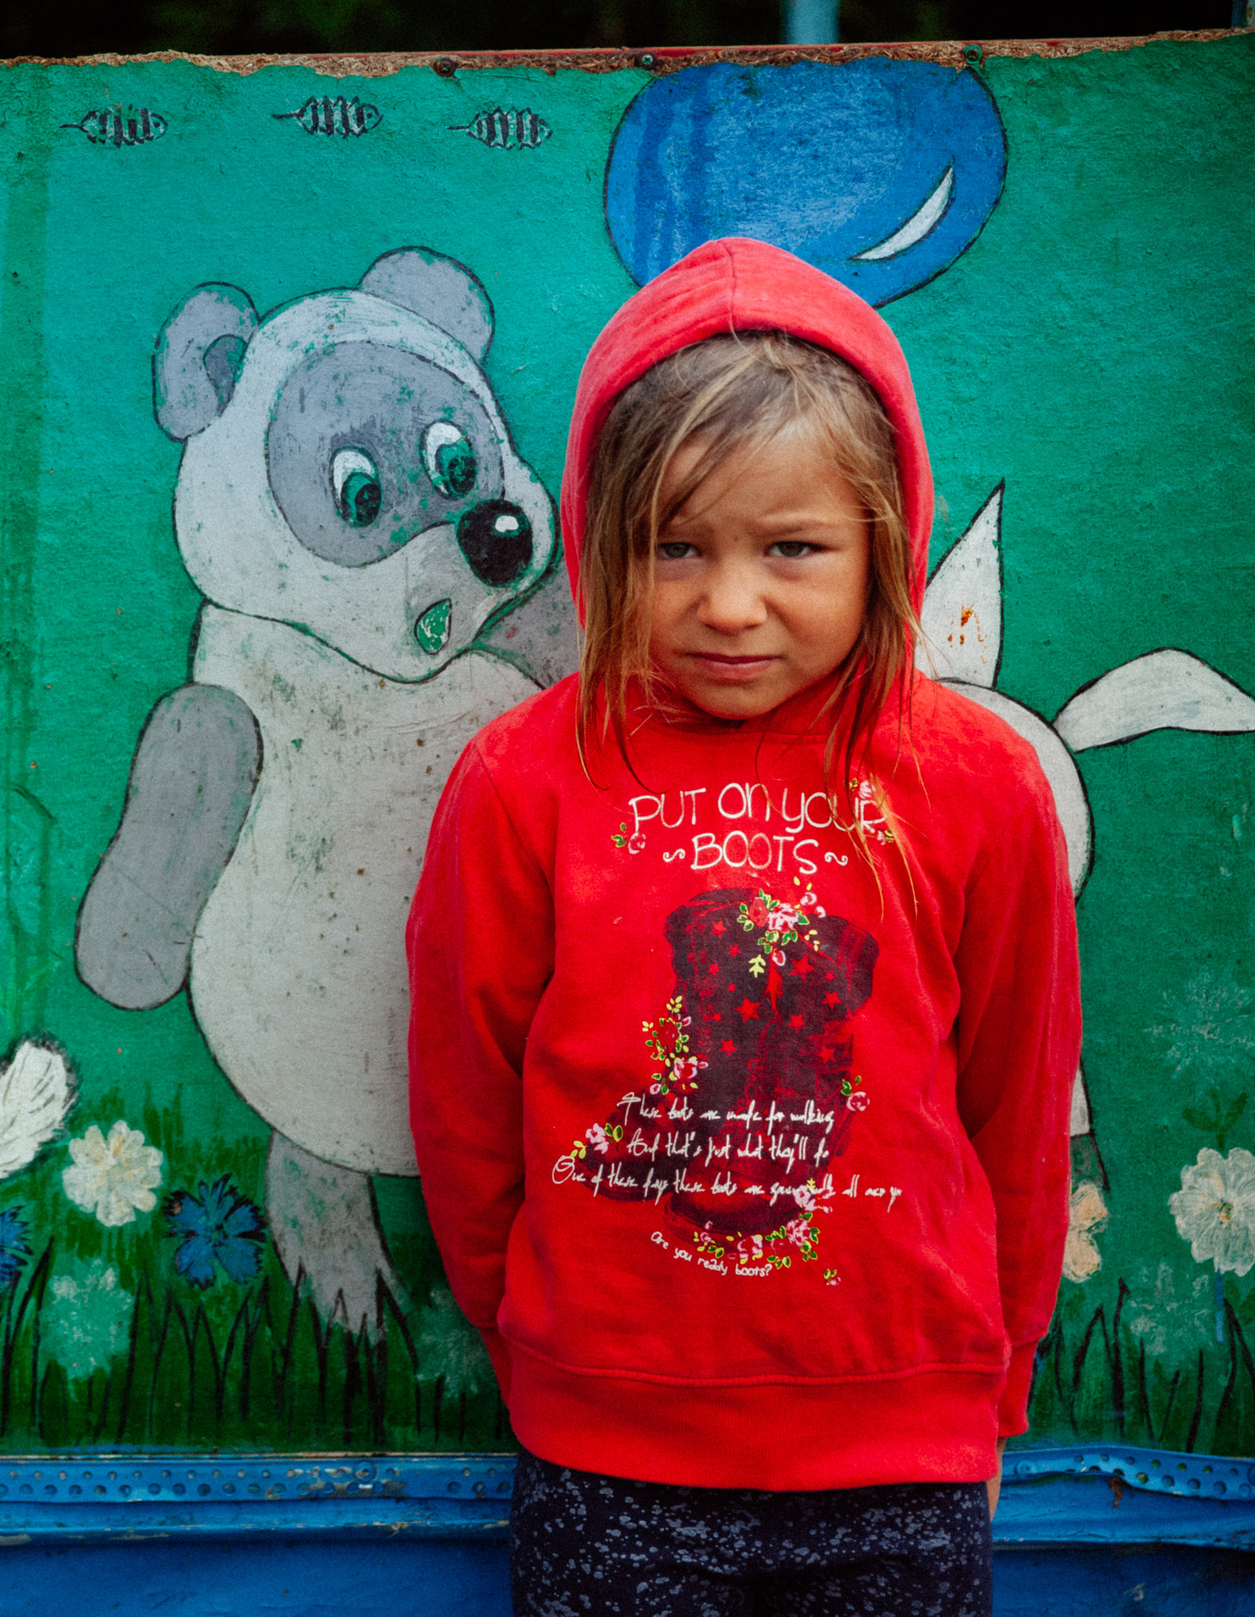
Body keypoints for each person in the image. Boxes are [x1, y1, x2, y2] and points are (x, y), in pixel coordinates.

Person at [406, 236, 1080, 1614]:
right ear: (603, 541)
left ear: (881, 540)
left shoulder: (974, 783)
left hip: (904, 1457)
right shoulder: (525, 782)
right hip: (608, 1451)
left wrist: (996, 1382)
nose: (729, 601)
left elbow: (1018, 1093)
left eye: (791, 547)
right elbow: (466, 1090)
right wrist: (529, 1336)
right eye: (674, 546)